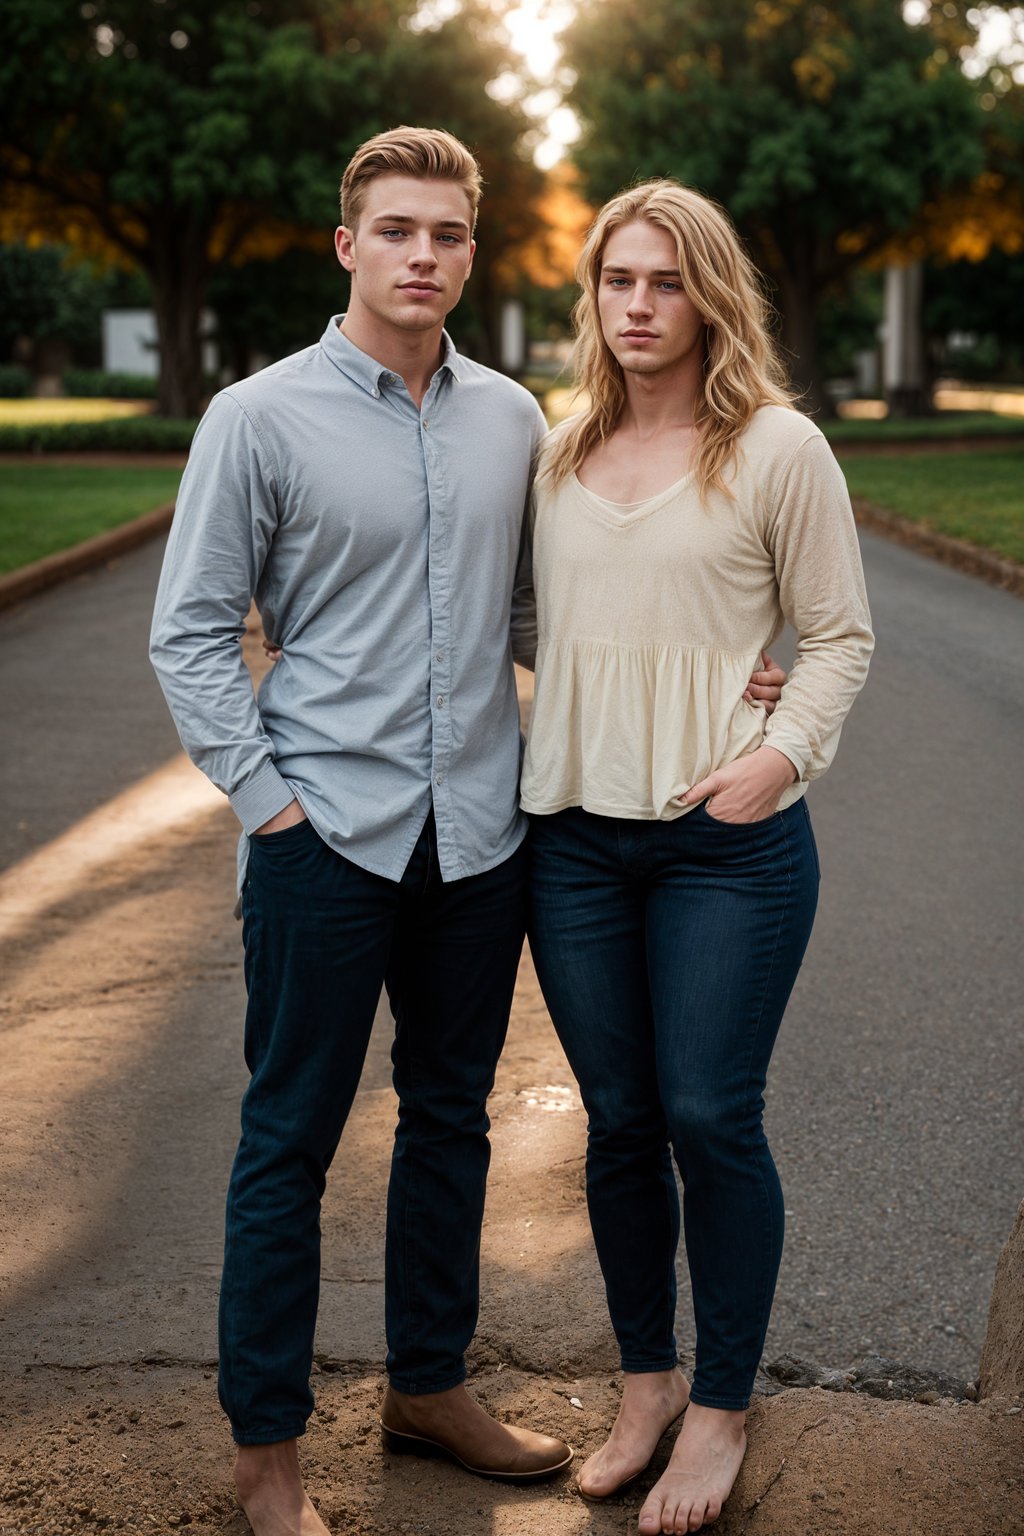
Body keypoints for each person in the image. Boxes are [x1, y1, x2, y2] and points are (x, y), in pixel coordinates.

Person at [150, 126, 579, 1536]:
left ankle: (428, 1386)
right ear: (348, 245)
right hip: (322, 835)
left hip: (477, 843)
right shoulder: (258, 417)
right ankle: (266, 1453)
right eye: (397, 231)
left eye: (448, 235)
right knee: (290, 1142)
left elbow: (529, 622)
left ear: (472, 249)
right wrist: (270, 807)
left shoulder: (513, 417)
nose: (423, 256)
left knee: (452, 1125)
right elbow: (194, 633)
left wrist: (702, 672)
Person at [517, 180, 874, 1534]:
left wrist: (775, 756)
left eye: (665, 282)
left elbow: (839, 637)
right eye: (618, 282)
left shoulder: (778, 448)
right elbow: (532, 617)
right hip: (573, 848)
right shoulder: (553, 452)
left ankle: (723, 1406)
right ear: (593, 297)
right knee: (620, 1124)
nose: (639, 307)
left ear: (709, 291)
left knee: (711, 1115)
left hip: (729, 846)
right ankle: (649, 1384)